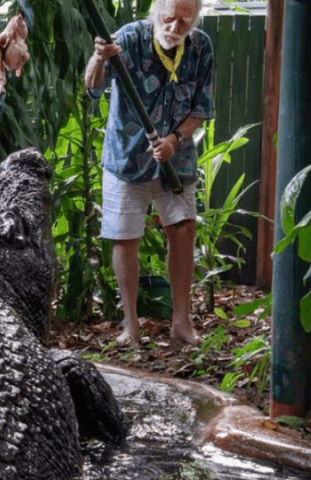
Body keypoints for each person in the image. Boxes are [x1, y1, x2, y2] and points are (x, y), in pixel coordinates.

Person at [84, 0, 213, 346]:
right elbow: (92, 87)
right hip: (127, 160)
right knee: (125, 236)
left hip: (176, 161)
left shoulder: (201, 47)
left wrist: (175, 139)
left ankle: (182, 324)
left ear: (195, 19)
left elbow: (202, 107)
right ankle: (130, 326)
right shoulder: (128, 39)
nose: (174, 28)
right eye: (169, 19)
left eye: (184, 22)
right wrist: (99, 57)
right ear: (156, 13)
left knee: (184, 230)